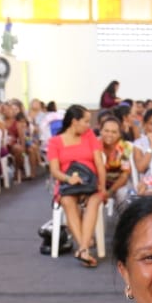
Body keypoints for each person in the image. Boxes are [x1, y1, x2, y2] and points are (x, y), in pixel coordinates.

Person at [47, 104, 106, 268]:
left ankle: (82, 249)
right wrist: (68, 178)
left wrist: (102, 186)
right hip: (68, 184)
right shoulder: (55, 142)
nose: (89, 125)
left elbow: (99, 163)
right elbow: (54, 170)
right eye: (86, 121)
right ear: (74, 121)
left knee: (94, 201)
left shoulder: (89, 136)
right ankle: (84, 248)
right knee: (67, 201)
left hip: (91, 183)